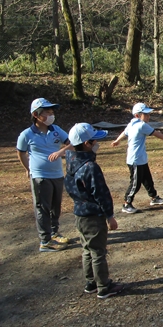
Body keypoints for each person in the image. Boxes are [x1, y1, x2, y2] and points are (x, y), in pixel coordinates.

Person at [64, 123, 124, 299]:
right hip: (93, 216)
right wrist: (110, 216)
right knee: (98, 251)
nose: (98, 143)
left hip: (79, 214)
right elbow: (101, 193)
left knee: (87, 249)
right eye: (95, 141)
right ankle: (103, 286)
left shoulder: (71, 163)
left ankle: (91, 282)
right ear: (87, 144)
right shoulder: (90, 167)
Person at [17, 98, 72, 252]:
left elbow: (72, 143)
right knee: (42, 207)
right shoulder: (26, 134)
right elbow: (21, 153)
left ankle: (54, 233)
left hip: (57, 174)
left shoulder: (56, 130)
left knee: (56, 206)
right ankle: (45, 241)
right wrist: (28, 168)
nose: (51, 115)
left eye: (52, 112)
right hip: (40, 176)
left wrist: (61, 151)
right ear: (36, 114)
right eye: (47, 112)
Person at [111, 103, 163, 213]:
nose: (148, 116)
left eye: (148, 114)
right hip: (135, 160)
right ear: (137, 115)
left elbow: (124, 132)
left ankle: (154, 198)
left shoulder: (131, 124)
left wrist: (117, 140)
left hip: (141, 159)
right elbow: (156, 133)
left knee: (148, 180)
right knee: (135, 183)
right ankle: (127, 204)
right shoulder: (141, 125)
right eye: (145, 114)